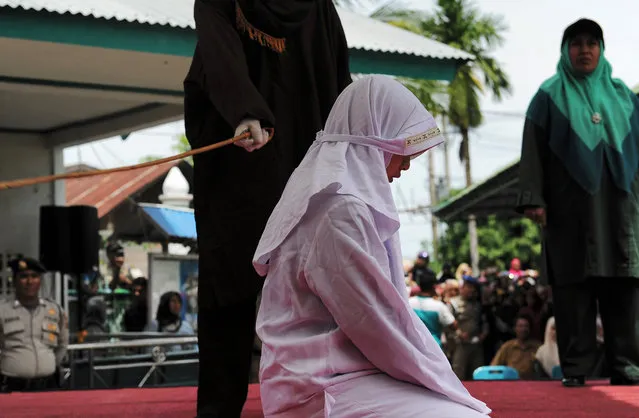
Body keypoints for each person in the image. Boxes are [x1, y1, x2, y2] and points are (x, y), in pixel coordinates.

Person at [252, 76, 490, 417]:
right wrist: (445, 381)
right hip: (323, 385)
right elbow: (377, 325)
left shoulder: (332, 196)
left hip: (330, 374)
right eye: (402, 151)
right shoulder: (340, 208)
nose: (405, 165)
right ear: (377, 140)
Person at [183, 1, 352, 415]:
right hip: (244, 162)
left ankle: (321, 404)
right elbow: (220, 54)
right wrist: (243, 111)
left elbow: (339, 80)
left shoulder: (318, 7)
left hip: (306, 169)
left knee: (319, 296)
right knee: (230, 294)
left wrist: (353, 147)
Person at [516, 18, 639, 387]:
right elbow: (533, 152)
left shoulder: (626, 98)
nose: (584, 50)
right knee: (573, 290)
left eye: (592, 43)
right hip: (570, 213)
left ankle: (627, 367)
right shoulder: (548, 96)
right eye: (576, 43)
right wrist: (533, 198)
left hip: (621, 213)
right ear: (565, 50)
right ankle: (576, 368)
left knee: (624, 289)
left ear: (602, 50)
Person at [0, 257, 68, 392]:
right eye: (24, 277)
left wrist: (49, 364)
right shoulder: (3, 310)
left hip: (48, 385)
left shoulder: (54, 310)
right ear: (14, 281)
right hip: (12, 386)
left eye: (34, 276)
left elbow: (62, 344)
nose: (29, 282)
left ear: (40, 281)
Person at [490, 314, 541, 380]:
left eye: (526, 326)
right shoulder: (507, 346)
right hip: (510, 384)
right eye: (520, 326)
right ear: (515, 328)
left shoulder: (538, 347)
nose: (523, 329)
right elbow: (494, 367)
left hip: (533, 385)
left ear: (530, 329)